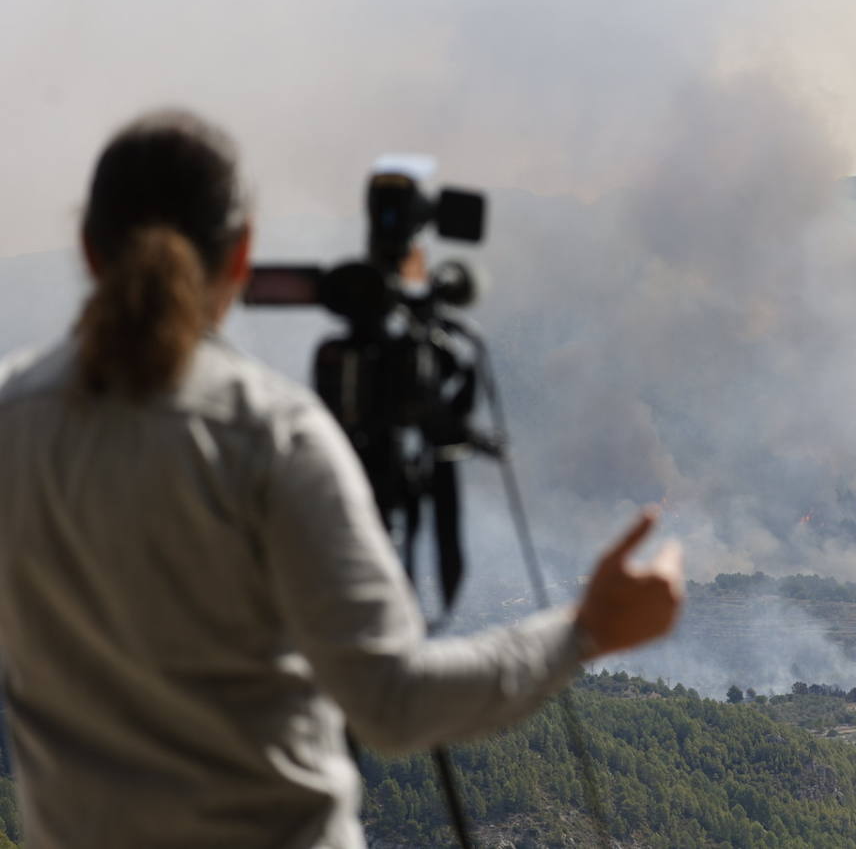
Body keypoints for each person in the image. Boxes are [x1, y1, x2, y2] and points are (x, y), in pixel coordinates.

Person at [0, 110, 683, 848]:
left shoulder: (13, 418)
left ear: (88, 251)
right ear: (241, 257)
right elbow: (393, 704)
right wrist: (585, 632)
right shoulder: (271, 438)